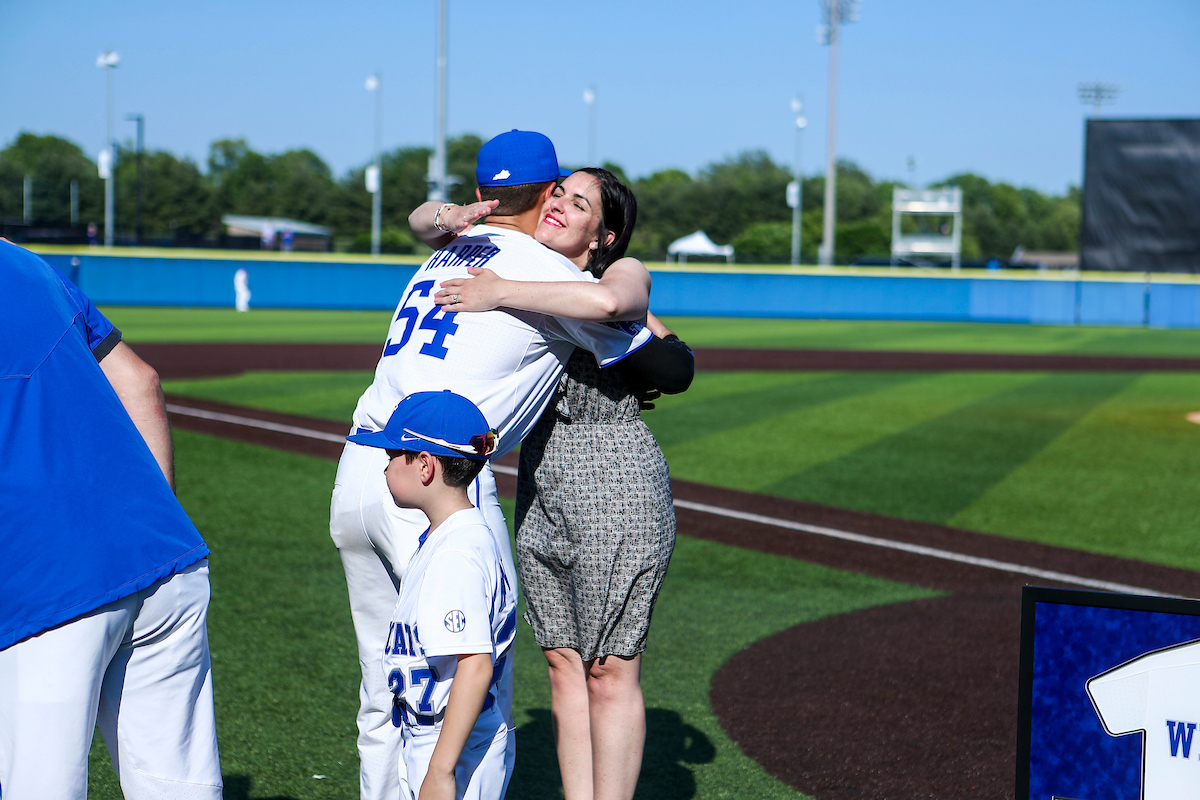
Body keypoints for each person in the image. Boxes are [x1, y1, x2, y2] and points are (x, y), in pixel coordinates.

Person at [330, 130, 688, 800]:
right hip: (434, 481)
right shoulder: (546, 273)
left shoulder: (455, 245)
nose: (564, 203)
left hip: (362, 468)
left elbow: (664, 352)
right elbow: (654, 344)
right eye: (562, 191)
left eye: (582, 202)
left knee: (387, 684)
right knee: (469, 687)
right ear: (545, 191)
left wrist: (444, 220)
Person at [0, 241, 221, 799]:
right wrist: (147, 524)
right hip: (161, 554)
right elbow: (139, 380)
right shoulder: (23, 262)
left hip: (48, 586)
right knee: (177, 788)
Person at [347, 391, 516, 800]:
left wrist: (440, 771)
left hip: (451, 742)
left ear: (425, 465)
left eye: (393, 454)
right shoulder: (452, 537)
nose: (385, 467)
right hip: (446, 736)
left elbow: (474, 665)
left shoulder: (456, 553)